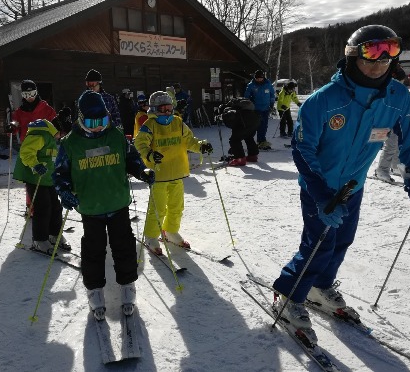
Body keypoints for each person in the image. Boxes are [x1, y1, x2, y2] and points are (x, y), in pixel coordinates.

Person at [271, 25, 410, 343]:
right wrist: (319, 194)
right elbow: (302, 150)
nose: (380, 61)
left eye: (389, 52)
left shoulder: (397, 96)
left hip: (353, 187)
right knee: (318, 246)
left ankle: (320, 286)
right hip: (321, 187)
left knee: (342, 240)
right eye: (371, 52)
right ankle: (289, 294)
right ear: (352, 56)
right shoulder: (322, 102)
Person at [52, 90, 154, 320]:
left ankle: (127, 285)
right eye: (92, 122)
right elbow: (59, 174)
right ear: (81, 118)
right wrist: (64, 192)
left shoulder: (117, 137)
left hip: (117, 202)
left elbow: (132, 160)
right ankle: (95, 290)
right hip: (91, 207)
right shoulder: (70, 144)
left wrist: (142, 171)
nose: (98, 127)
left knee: (124, 246)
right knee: (93, 250)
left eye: (103, 120)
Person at [134, 91, 213, 254]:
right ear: (154, 109)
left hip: (177, 171)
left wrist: (201, 146)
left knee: (177, 206)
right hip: (159, 174)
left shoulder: (178, 122)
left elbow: (189, 141)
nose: (167, 112)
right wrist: (149, 154)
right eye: (162, 109)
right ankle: (151, 235)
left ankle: (170, 230)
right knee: (158, 208)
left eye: (169, 108)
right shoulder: (150, 125)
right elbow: (140, 143)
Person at [13, 119, 70, 253]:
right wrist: (36, 164)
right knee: (43, 208)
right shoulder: (40, 135)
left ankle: (54, 234)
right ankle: (39, 239)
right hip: (36, 179)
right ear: (56, 130)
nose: (62, 136)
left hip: (49, 179)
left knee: (56, 207)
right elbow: (26, 152)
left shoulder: (53, 140)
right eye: (62, 133)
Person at [374, 66, 408, 183]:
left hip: (396, 121)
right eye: (400, 81)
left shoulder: (396, 89)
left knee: (397, 143)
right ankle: (381, 170)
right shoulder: (384, 88)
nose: (401, 85)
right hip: (386, 122)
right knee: (391, 145)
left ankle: (395, 166)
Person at [219, 98, 261, 166]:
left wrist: (222, 117)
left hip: (244, 122)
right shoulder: (239, 104)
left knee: (234, 140)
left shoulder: (227, 109)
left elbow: (230, 117)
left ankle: (240, 159)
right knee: (249, 137)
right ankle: (253, 156)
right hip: (255, 120)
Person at [244, 70, 276, 150]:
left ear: (263, 77)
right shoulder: (251, 85)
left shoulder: (268, 84)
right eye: (257, 78)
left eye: (260, 78)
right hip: (256, 109)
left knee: (264, 125)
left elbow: (272, 94)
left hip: (265, 108)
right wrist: (248, 104)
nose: (259, 80)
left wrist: (272, 104)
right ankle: (253, 142)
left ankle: (262, 141)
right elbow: (247, 96)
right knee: (256, 125)